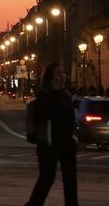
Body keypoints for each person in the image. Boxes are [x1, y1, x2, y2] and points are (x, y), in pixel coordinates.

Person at [24, 62, 78, 206]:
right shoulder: (44, 93)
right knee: (47, 178)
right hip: (48, 144)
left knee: (70, 179)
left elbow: (70, 118)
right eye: (58, 73)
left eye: (63, 72)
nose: (62, 76)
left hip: (66, 143)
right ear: (50, 76)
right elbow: (46, 114)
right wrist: (54, 92)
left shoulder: (66, 94)